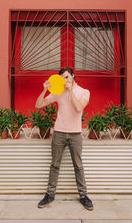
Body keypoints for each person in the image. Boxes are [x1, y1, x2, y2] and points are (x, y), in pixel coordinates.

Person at [35, 67, 94, 211]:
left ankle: (83, 196)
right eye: (63, 78)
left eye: (67, 77)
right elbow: (38, 105)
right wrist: (44, 90)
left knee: (78, 166)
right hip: (59, 133)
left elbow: (79, 108)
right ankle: (50, 195)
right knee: (54, 165)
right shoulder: (57, 92)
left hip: (75, 134)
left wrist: (70, 91)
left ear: (73, 76)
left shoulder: (84, 91)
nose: (65, 80)